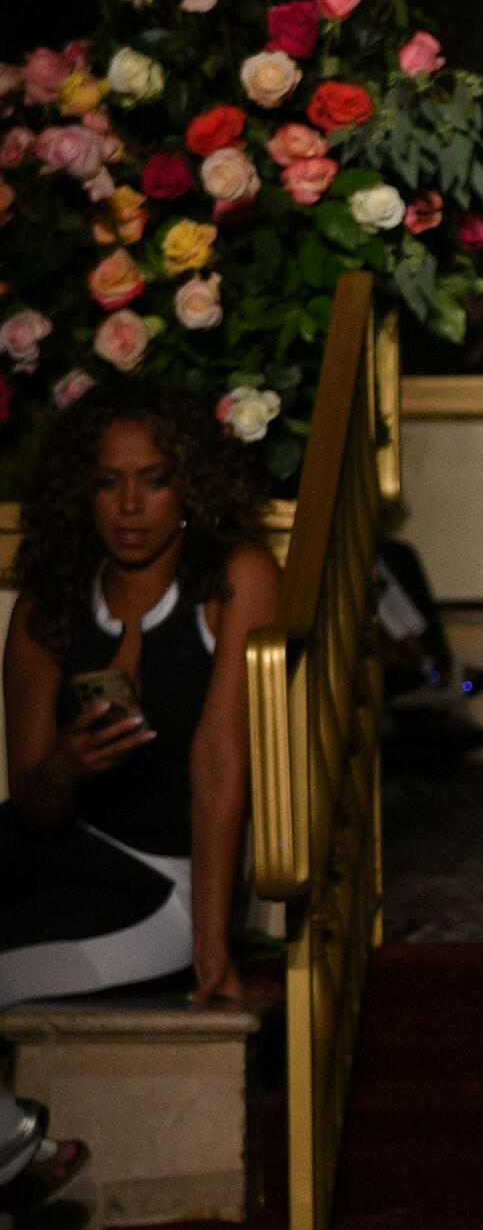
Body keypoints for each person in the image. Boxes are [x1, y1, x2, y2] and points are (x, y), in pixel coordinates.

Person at [1, 379, 281, 1010]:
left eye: (154, 481)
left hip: (162, 888)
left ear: (190, 486)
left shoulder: (236, 579)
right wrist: (61, 769)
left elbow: (219, 763)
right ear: (81, 489)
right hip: (56, 851)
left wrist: (213, 954)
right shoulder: (50, 600)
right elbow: (34, 806)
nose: (130, 506)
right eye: (108, 482)